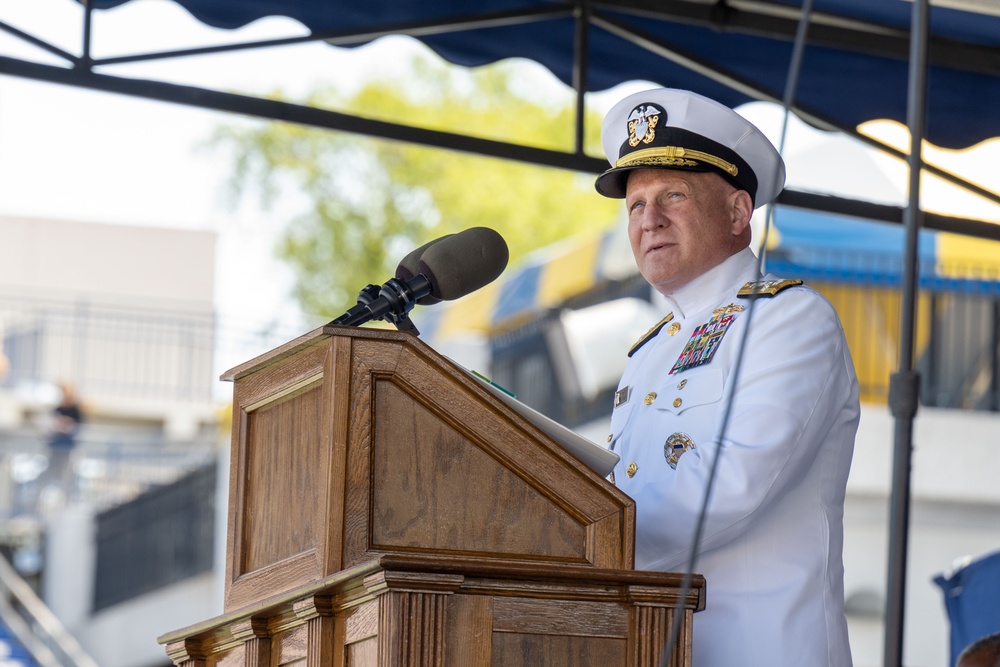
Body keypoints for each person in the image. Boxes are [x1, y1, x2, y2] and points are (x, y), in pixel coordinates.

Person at [596, 88, 860, 666]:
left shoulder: (790, 318)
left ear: (738, 213)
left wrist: (573, 533)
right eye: (636, 206)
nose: (650, 220)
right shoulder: (648, 353)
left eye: (672, 196)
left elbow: (730, 488)